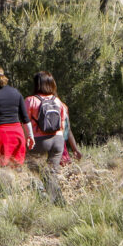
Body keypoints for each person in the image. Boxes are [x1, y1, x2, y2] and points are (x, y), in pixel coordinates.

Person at [25, 71, 78, 202]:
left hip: (39, 140)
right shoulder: (58, 101)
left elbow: (23, 122)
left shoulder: (30, 100)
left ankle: (43, 199)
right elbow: (64, 125)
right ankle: (58, 201)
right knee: (51, 173)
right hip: (58, 141)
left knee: (34, 171)